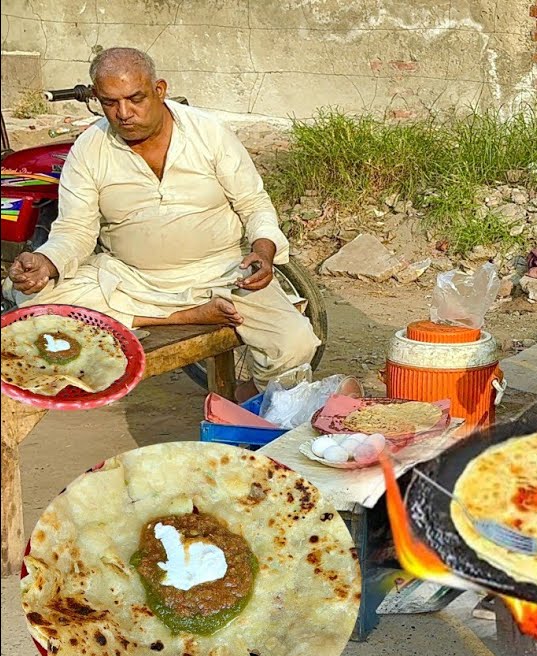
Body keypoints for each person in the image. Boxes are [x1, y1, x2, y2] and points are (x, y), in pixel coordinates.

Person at [7, 48, 318, 399]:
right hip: (133, 279)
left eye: (135, 98)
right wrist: (47, 263)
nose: (124, 113)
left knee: (295, 343)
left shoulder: (208, 133)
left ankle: (247, 399)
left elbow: (253, 203)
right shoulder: (89, 149)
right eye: (110, 103)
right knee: (31, 300)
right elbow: (75, 230)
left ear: (160, 89)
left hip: (223, 275)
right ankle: (187, 316)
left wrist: (263, 249)